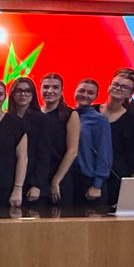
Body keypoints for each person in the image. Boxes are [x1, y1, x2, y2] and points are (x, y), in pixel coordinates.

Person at [0, 79, 27, 208]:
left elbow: (22, 158)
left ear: (5, 97)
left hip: (7, 185)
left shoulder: (17, 123)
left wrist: (18, 189)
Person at [102, 68, 134, 206]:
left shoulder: (133, 121)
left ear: (130, 93)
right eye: (115, 84)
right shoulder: (92, 112)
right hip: (87, 174)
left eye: (124, 87)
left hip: (116, 177)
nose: (118, 88)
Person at [38, 72, 81, 206]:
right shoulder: (35, 114)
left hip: (61, 176)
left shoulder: (70, 114)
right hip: (39, 176)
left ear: (62, 90)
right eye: (46, 87)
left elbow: (72, 151)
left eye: (55, 87)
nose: (50, 91)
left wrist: (56, 179)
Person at [5, 77, 49, 204]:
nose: (22, 94)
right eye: (18, 91)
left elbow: (44, 155)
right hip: (8, 179)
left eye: (27, 91)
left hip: (31, 182)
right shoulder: (6, 119)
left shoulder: (42, 120)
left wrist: (37, 184)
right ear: (12, 94)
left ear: (33, 94)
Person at [71, 78, 113, 206]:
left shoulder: (99, 120)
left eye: (90, 93)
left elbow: (104, 152)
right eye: (81, 91)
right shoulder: (67, 115)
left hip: (89, 181)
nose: (85, 95)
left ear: (96, 96)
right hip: (69, 178)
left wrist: (97, 184)